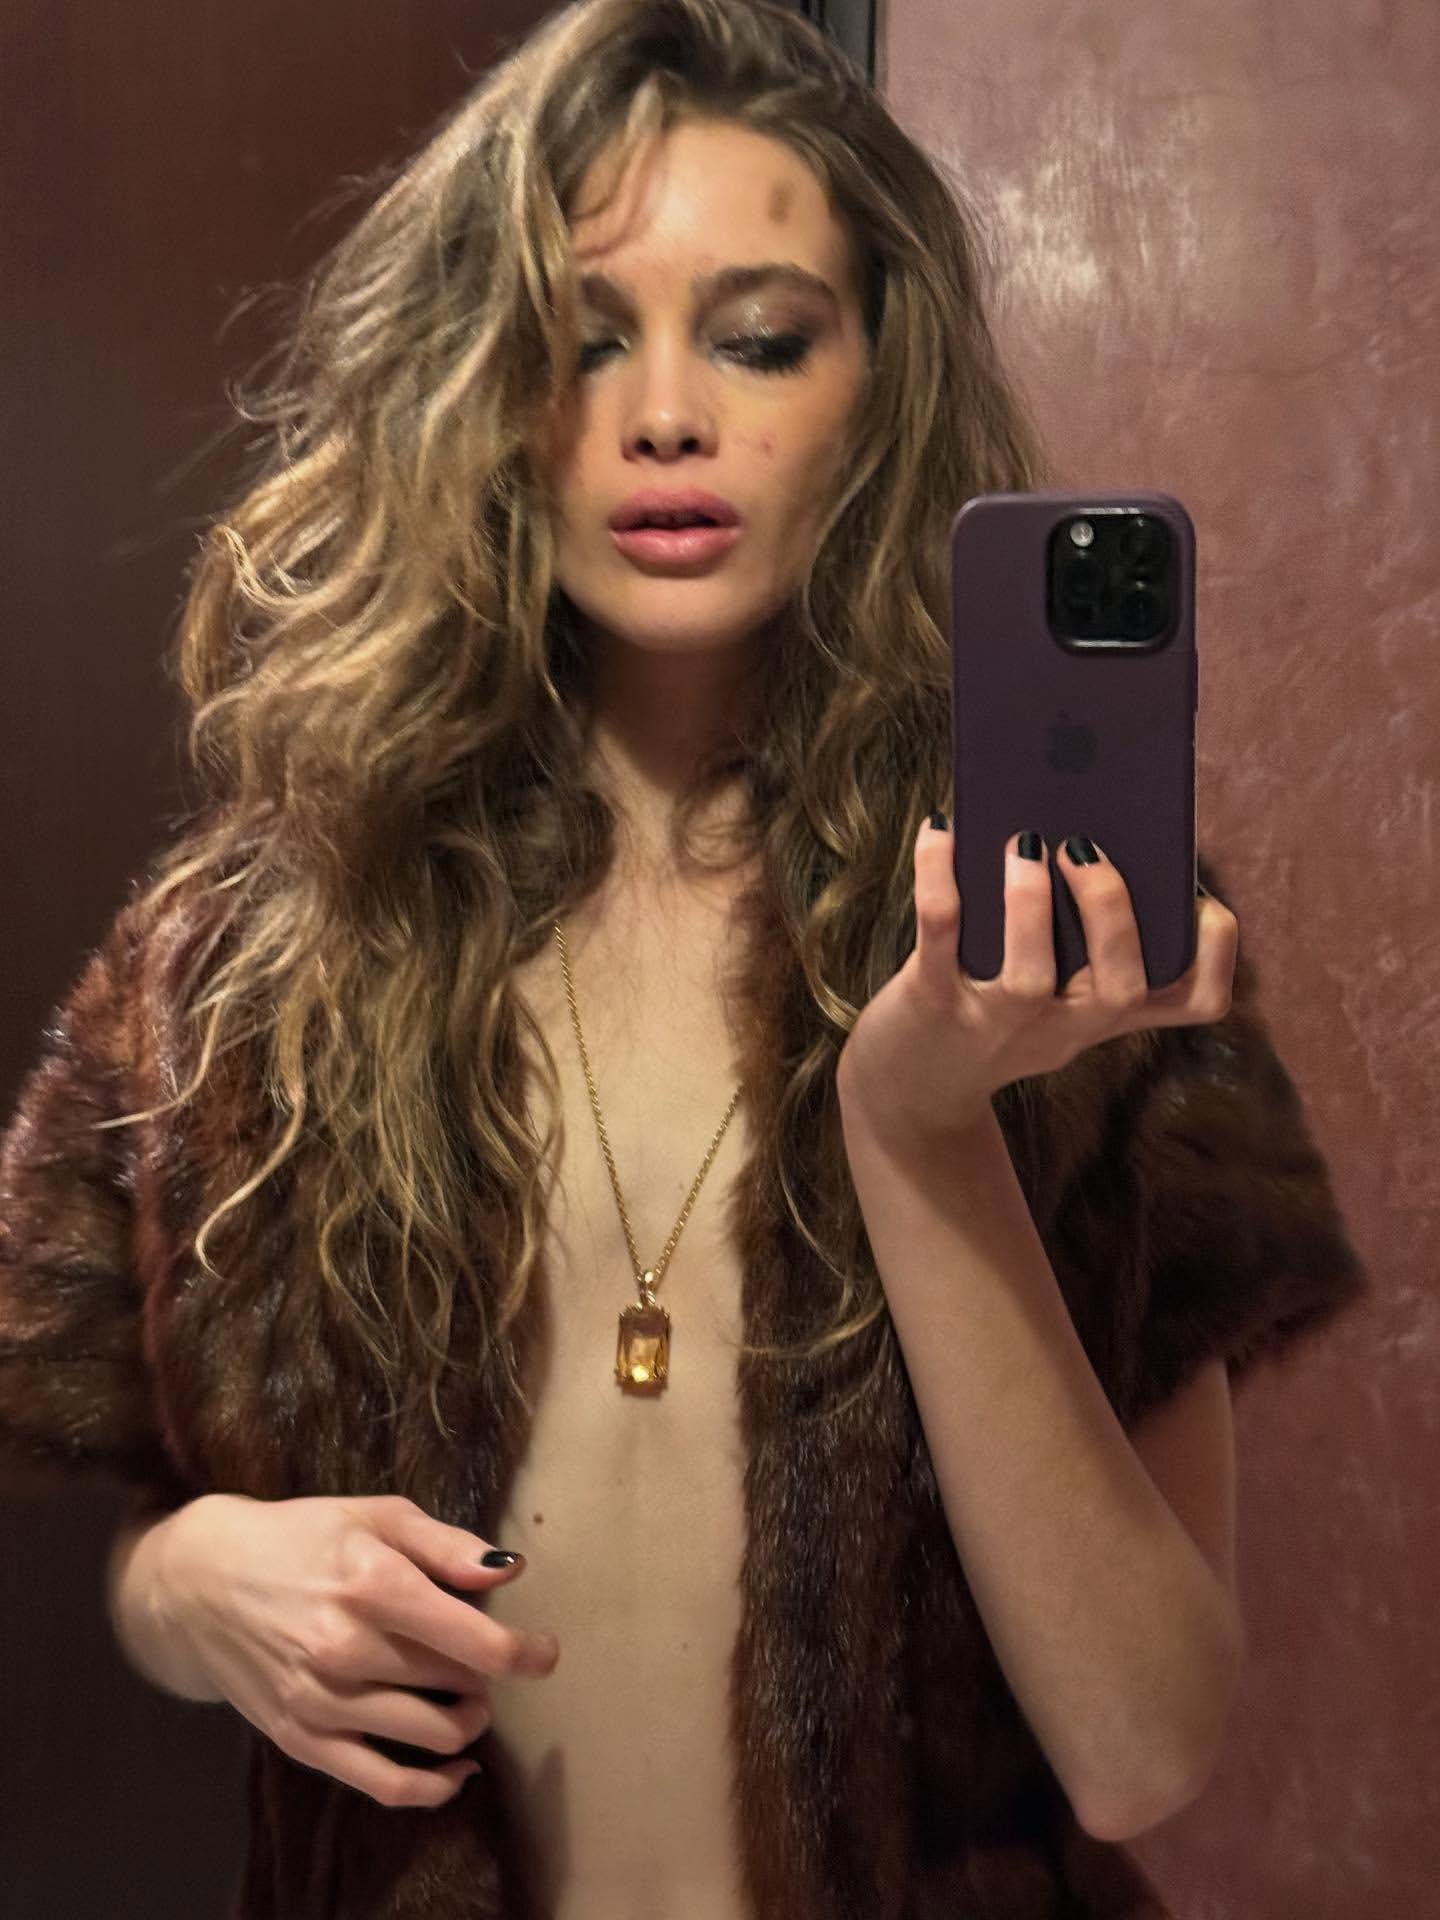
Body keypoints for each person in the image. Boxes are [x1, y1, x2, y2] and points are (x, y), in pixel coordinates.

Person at [0, 2, 1369, 1916]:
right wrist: (181, 1586)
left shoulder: (1054, 946)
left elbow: (1139, 1744)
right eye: (578, 342)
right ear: (479, 389)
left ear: (878, 388)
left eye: (758, 337)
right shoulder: (245, 965)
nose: (662, 414)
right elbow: (95, 1531)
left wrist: (920, 1133)